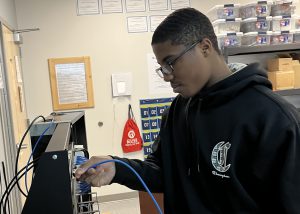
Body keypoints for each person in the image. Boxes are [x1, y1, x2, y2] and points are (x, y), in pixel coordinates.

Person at [75, 8, 300, 213]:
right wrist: (118, 167)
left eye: (171, 63)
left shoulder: (275, 119)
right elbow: (165, 173)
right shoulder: (179, 109)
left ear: (205, 47)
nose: (166, 75)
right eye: (161, 67)